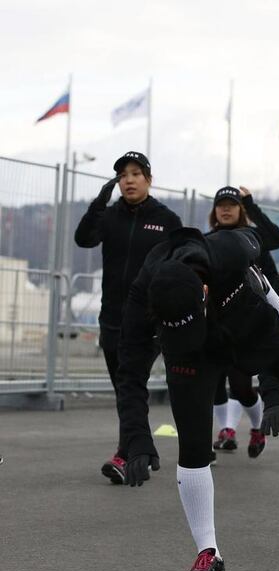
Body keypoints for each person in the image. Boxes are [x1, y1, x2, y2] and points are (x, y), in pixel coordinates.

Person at [117, 226, 279, 571]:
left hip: (241, 318)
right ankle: (210, 554)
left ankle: (263, 307)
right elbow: (129, 371)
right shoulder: (144, 290)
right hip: (189, 353)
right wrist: (137, 437)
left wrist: (272, 395)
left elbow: (266, 241)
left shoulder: (231, 249)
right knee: (192, 446)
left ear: (203, 290)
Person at [73, 151, 182, 484]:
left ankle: (129, 455)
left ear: (149, 179)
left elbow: (179, 264)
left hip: (147, 320)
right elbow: (83, 239)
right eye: (122, 175)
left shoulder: (166, 219)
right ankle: (139, 451)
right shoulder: (109, 216)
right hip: (111, 318)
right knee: (126, 389)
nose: (129, 180)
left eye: (136, 173)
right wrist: (98, 204)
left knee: (129, 383)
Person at [207, 186, 279, 459]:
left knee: (241, 386)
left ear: (241, 210)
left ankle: (255, 427)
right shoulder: (206, 241)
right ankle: (225, 431)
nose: (226, 209)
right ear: (214, 211)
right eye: (221, 205)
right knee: (213, 382)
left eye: (232, 204)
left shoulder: (254, 238)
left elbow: (277, 238)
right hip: (215, 325)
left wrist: (252, 204)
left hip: (248, 325)